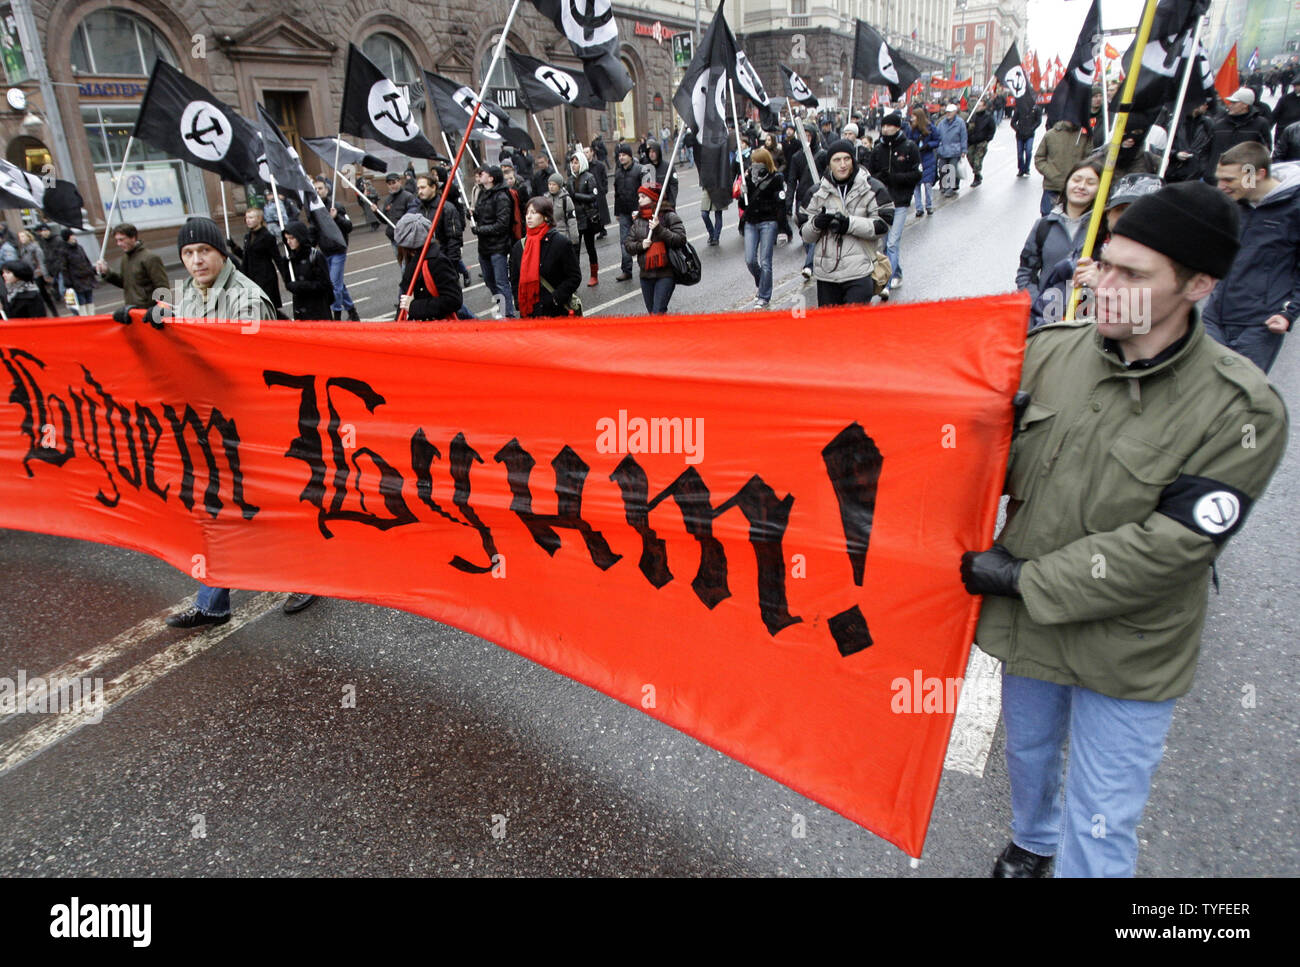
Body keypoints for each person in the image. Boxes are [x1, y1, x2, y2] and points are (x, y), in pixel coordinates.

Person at [962, 181, 1287, 878]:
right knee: (1027, 760)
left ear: (1199, 283)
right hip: (1033, 628)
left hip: (1131, 646)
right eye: (1104, 262)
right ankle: (1032, 840)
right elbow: (977, 469)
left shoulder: (1241, 408)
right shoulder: (1051, 353)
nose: (1103, 285)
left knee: (1103, 815)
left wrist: (1022, 578)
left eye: (1133, 274)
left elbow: (1173, 548)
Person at [112, 219, 315, 624]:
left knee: (268, 505)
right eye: (188, 254)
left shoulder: (247, 298)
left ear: (221, 252)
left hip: (251, 422)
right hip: (209, 421)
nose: (195, 260)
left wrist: (177, 339)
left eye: (203, 251)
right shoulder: (185, 291)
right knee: (215, 507)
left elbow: (248, 366)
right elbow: (170, 315)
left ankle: (305, 578)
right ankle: (213, 602)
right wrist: (141, 320)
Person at [1203, 142, 1299, 373]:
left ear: (1259, 174)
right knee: (1203, 391)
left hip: (1259, 324)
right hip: (1214, 316)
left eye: (1229, 180)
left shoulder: (1294, 209)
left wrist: (1289, 313)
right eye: (1219, 178)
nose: (1221, 186)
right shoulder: (1232, 205)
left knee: (1241, 398)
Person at [1031, 173, 1164, 330]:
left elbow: (1142, 333)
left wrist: (1102, 289)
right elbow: (1045, 316)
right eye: (1121, 209)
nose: (1129, 218)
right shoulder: (1083, 257)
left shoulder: (1164, 271)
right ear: (1108, 214)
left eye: (1139, 211)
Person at [802, 138, 893, 307]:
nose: (842, 164)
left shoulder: (872, 188)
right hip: (827, 275)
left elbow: (882, 226)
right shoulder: (816, 193)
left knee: (854, 330)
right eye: (837, 160)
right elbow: (806, 235)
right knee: (831, 330)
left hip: (859, 272)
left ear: (853, 160)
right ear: (830, 164)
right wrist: (817, 223)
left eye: (847, 159)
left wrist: (849, 224)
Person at [1016, 158, 1103, 304]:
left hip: (1085, 318)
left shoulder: (1104, 230)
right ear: (1067, 183)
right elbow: (1026, 272)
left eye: (1090, 183)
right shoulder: (1044, 226)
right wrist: (1037, 304)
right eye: (1077, 180)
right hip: (1046, 318)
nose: (1081, 186)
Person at [867, 112, 922, 291]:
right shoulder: (877, 149)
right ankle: (896, 272)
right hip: (882, 204)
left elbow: (917, 173)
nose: (885, 129)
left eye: (889, 125)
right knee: (884, 243)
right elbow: (868, 174)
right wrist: (879, 178)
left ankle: (886, 283)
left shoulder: (909, 147)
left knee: (892, 243)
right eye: (883, 126)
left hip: (900, 202)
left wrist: (895, 178)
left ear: (897, 127)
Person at [508, 195, 581, 318]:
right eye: (527, 213)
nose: (529, 216)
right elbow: (515, 279)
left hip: (556, 312)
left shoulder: (560, 242)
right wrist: (519, 302)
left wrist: (555, 299)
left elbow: (574, 277)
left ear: (546, 216)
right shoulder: (519, 247)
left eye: (534, 213)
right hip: (530, 313)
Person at [624, 183, 687, 314]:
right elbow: (628, 245)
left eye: (643, 196)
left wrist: (659, 229)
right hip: (645, 275)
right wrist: (641, 245)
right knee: (654, 313)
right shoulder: (639, 220)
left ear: (653, 198)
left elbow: (680, 239)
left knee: (657, 313)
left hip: (665, 274)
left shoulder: (669, 216)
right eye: (639, 196)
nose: (639, 200)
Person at [393, 213, 462, 321]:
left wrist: (413, 306)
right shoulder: (413, 262)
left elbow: (453, 299)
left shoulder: (436, 261)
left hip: (437, 330)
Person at [740, 147, 786, 309]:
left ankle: (764, 295)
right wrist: (742, 192)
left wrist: (782, 229)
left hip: (768, 221)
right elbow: (743, 205)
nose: (755, 165)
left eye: (758, 162)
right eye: (753, 162)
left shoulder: (776, 178)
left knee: (765, 261)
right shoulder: (748, 179)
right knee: (750, 259)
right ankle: (762, 282)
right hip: (751, 222)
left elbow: (781, 205)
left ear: (765, 162)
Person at [309, 177, 359, 321]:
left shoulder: (336, 206)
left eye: (320, 188)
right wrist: (310, 247)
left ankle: (336, 315)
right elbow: (314, 230)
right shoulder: (315, 209)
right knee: (338, 284)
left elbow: (348, 227)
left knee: (333, 285)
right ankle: (352, 311)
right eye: (316, 189)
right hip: (324, 252)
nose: (318, 191)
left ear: (327, 189)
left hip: (338, 250)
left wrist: (336, 217)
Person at [471, 166, 517, 318]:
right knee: (489, 280)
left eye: (482, 174)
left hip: (498, 246)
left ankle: (507, 313)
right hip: (484, 246)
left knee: (501, 281)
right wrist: (472, 214)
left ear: (491, 178)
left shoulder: (502, 196)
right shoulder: (483, 193)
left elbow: (502, 224)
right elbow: (483, 216)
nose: (479, 176)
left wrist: (480, 230)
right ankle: (501, 306)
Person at [94, 222, 168, 313]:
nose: (119, 244)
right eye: (117, 240)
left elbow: (162, 287)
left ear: (133, 238)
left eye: (121, 240)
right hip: (132, 311)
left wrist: (160, 312)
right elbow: (124, 283)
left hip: (148, 312)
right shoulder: (125, 258)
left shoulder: (150, 258)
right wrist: (107, 272)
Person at [1205, 88, 1273, 177]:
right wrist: (1207, 171)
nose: (1230, 105)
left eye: (1234, 103)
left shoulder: (1260, 124)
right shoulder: (1219, 124)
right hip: (1218, 176)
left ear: (1245, 105)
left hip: (1246, 177)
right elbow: (1206, 150)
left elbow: (1265, 151)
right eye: (1230, 102)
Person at [227, 207, 284, 311]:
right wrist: (233, 246)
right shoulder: (247, 236)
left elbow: (277, 258)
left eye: (251, 217)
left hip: (265, 277)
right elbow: (246, 256)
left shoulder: (267, 237)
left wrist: (287, 278)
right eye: (246, 218)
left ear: (259, 219)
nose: (248, 220)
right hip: (251, 278)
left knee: (267, 309)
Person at [1034, 118, 1093, 216]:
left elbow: (1089, 159)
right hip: (1052, 188)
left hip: (1074, 188)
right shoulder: (1051, 135)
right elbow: (1039, 158)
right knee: (1048, 220)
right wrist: (1051, 174)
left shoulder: (1084, 136)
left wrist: (1079, 178)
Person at [277, 222, 333, 321]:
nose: (289, 242)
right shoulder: (288, 259)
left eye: (292, 238)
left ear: (300, 237)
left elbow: (325, 284)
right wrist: (292, 286)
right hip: (300, 307)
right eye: (287, 239)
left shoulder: (315, 256)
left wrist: (301, 285)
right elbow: (288, 282)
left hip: (317, 308)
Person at [786, 123, 820, 279]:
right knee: (806, 234)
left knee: (814, 231)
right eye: (803, 135)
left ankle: (809, 265)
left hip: (819, 199)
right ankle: (812, 258)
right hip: (802, 199)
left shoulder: (822, 154)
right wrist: (788, 200)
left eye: (808, 135)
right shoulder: (797, 157)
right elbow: (792, 180)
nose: (805, 138)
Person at [1086, 112, 1161, 178]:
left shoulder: (1152, 163)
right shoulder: (1096, 159)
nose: (1130, 139)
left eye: (1137, 133)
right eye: (1124, 132)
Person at [567, 150, 600, 288]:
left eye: (576, 162)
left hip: (587, 218)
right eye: (572, 163)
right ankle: (575, 278)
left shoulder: (589, 177)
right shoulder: (569, 179)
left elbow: (593, 196)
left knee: (590, 247)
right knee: (574, 250)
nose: (574, 165)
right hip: (575, 219)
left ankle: (594, 275)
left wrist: (577, 195)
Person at [613, 143, 647, 275]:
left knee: (641, 239)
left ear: (630, 156)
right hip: (624, 212)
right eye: (619, 155)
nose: (621, 158)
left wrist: (643, 209)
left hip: (638, 211)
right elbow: (617, 194)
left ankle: (645, 266)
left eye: (624, 155)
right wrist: (617, 212)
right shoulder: (618, 173)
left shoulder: (639, 170)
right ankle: (626, 270)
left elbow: (645, 191)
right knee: (624, 241)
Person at [17, 229, 59, 315]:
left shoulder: (35, 248)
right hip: (30, 276)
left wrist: (45, 275)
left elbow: (41, 262)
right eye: (20, 237)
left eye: (23, 236)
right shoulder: (22, 250)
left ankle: (54, 314)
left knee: (44, 296)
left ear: (28, 237)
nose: (21, 238)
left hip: (38, 275)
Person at [909, 108, 940, 216]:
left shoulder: (931, 127)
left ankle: (929, 205)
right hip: (917, 159)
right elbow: (908, 141)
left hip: (928, 158)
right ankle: (919, 208)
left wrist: (928, 145)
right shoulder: (912, 129)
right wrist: (914, 144)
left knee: (927, 184)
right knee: (916, 185)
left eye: (914, 116)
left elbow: (937, 140)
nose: (912, 118)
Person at [60, 229, 97, 315]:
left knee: (89, 298)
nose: (74, 237)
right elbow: (64, 267)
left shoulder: (79, 247)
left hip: (87, 277)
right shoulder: (64, 251)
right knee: (81, 300)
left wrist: (92, 270)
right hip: (76, 280)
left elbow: (86, 261)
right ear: (67, 237)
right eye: (71, 235)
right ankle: (84, 317)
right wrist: (67, 281)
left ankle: (91, 316)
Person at [934, 104, 968, 196]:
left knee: (951, 169)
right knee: (942, 169)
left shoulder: (960, 123)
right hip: (943, 150)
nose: (948, 114)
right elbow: (937, 135)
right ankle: (945, 186)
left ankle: (950, 188)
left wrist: (964, 150)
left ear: (955, 112)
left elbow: (963, 137)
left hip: (955, 150)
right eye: (947, 112)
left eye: (950, 112)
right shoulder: (942, 123)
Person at [381, 172, 419, 252]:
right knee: (402, 263)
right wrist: (376, 212)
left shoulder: (408, 197)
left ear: (400, 182)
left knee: (408, 263)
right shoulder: (388, 200)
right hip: (394, 238)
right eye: (389, 184)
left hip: (406, 238)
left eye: (394, 182)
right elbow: (384, 220)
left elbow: (413, 217)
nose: (392, 186)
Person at [966, 99, 996, 186]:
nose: (977, 107)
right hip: (972, 141)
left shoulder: (988, 117)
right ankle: (978, 173)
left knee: (977, 160)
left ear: (984, 107)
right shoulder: (973, 116)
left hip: (981, 142)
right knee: (970, 158)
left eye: (979, 106)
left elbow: (992, 129)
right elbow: (970, 127)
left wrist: (987, 139)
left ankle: (976, 177)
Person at [585, 145, 611, 239]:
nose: (585, 154)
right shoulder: (584, 166)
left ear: (592, 152)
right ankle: (597, 228)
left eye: (587, 152)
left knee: (601, 211)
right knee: (592, 211)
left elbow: (604, 177)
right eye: (584, 153)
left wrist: (604, 189)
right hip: (589, 192)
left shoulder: (599, 165)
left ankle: (602, 229)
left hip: (599, 191)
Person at [546, 172, 579, 243]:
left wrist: (574, 239)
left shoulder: (566, 199)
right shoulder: (545, 199)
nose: (551, 187)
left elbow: (572, 221)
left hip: (563, 236)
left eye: (554, 184)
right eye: (549, 184)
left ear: (559, 186)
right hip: (550, 237)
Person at [645, 140, 678, 207]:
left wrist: (671, 203)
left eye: (653, 152)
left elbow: (674, 185)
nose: (651, 154)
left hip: (666, 205)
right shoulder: (646, 169)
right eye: (649, 152)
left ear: (658, 152)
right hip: (652, 206)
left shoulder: (668, 167)